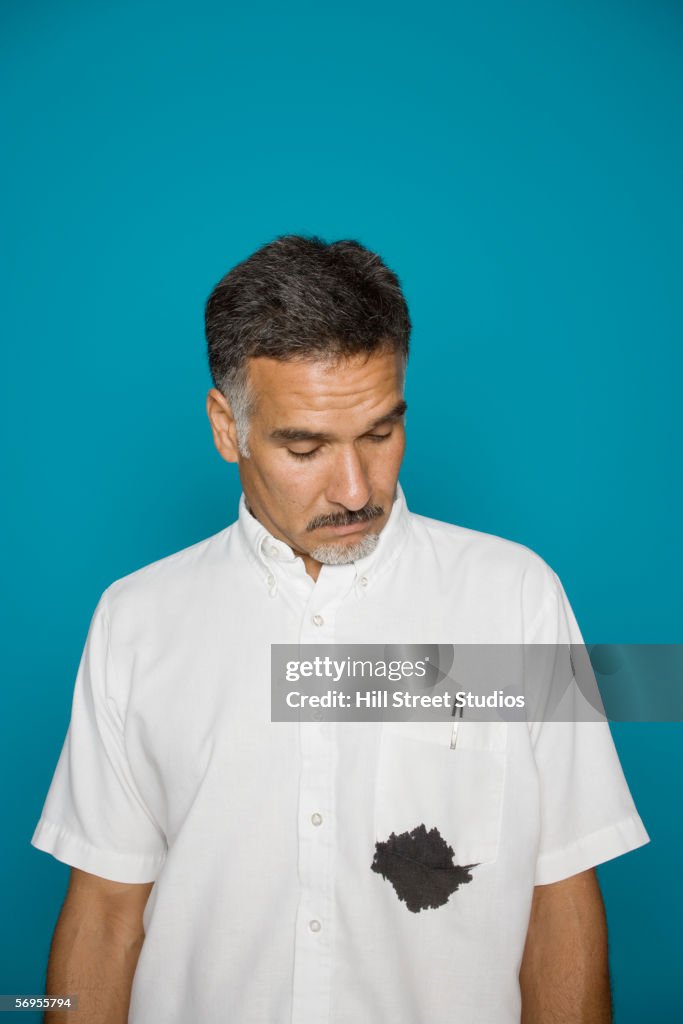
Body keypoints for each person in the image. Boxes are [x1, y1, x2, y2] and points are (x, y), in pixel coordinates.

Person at [32, 235, 649, 1024]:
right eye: (305, 446)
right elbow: (107, 911)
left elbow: (558, 895)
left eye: (380, 433)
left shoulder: (517, 598)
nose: (355, 489)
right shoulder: (136, 620)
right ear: (227, 427)